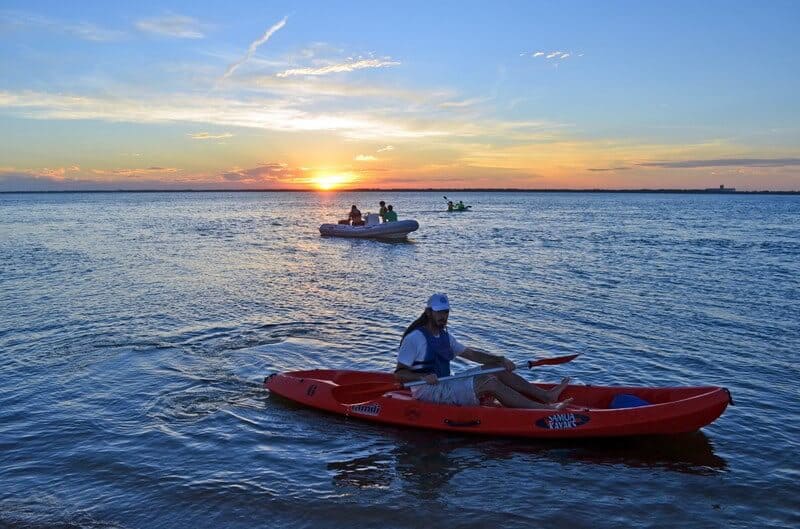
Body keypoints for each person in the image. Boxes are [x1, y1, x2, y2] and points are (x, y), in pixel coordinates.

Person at [394, 294, 572, 409]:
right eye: (439, 312)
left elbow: (471, 354)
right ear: (428, 313)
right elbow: (399, 374)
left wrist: (500, 359)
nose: (443, 316)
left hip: (446, 383)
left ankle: (546, 396)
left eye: (446, 312)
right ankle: (544, 410)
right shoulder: (415, 338)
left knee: (496, 368)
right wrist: (422, 378)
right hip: (428, 391)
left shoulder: (444, 336)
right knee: (489, 381)